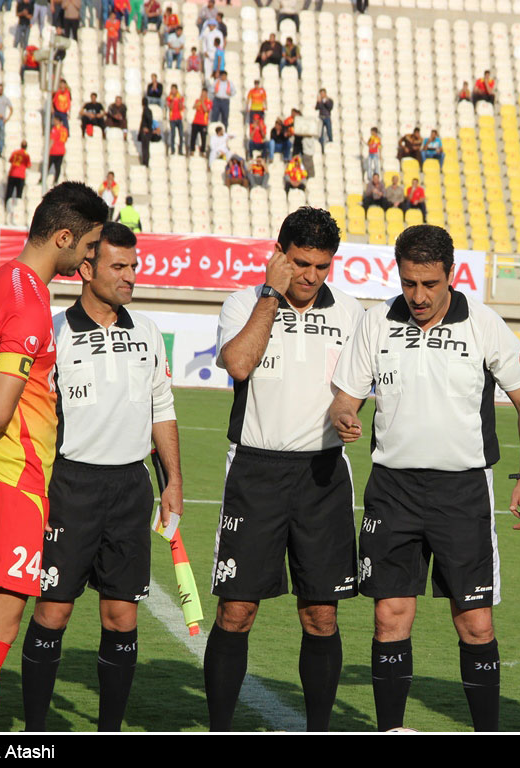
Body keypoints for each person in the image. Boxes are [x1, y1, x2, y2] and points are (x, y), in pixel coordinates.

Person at [328, 224, 520, 733]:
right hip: (393, 491)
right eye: (408, 283)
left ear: (451, 275)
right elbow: (345, 397)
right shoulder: (376, 321)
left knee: (475, 622)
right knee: (389, 617)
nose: (418, 295)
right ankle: (392, 729)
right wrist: (343, 416)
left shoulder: (484, 323)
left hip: (462, 491)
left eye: (429, 283)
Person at [0, 182, 109, 733]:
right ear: (63, 236)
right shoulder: (31, 306)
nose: (91, 258)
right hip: (8, 478)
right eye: (89, 245)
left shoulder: (0, 281)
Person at [206, 207, 364, 733]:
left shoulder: (354, 314)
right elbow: (239, 364)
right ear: (278, 255)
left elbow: (359, 388)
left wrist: (349, 412)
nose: (311, 277)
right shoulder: (244, 302)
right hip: (255, 473)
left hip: (323, 476)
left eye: (321, 266)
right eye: (299, 263)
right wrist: (271, 297)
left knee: (321, 614)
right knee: (237, 611)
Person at [19, 221, 177, 732]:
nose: (130, 276)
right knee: (53, 612)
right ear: (86, 270)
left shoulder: (148, 331)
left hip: (131, 488)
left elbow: (162, 409)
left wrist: (172, 481)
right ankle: (38, 730)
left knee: (121, 617)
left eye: (134, 265)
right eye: (119, 266)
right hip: (70, 489)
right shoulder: (56, 332)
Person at [6, 141, 31, 220]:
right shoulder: (26, 155)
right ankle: (17, 211)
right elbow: (29, 165)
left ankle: (7, 207)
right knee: (19, 194)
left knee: (9, 192)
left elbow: (10, 160)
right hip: (20, 176)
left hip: (12, 174)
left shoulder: (15, 152)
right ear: (26, 147)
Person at [190, 91, 211, 155]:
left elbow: (206, 110)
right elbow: (194, 107)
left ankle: (202, 151)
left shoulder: (209, 102)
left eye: (204, 94)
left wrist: (202, 102)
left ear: (206, 94)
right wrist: (199, 102)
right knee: (193, 136)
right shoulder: (197, 100)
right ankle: (192, 150)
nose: (202, 95)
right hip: (196, 121)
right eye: (202, 94)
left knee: (203, 137)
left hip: (203, 123)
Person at [165, 84, 184, 154]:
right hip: (172, 118)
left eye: (174, 89)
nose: (173, 91)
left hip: (179, 118)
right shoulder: (169, 98)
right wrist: (173, 100)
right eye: (172, 89)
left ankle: (180, 150)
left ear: (176, 90)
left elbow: (181, 108)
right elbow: (170, 107)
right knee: (173, 135)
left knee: (181, 135)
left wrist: (178, 100)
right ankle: (173, 150)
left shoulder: (180, 97)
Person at [48, 117, 68, 182]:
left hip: (54, 150)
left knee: (48, 165)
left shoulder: (55, 129)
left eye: (55, 120)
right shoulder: (65, 130)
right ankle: (55, 181)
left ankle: (42, 179)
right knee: (58, 167)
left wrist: (48, 150)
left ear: (58, 121)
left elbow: (52, 140)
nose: (54, 122)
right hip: (61, 150)